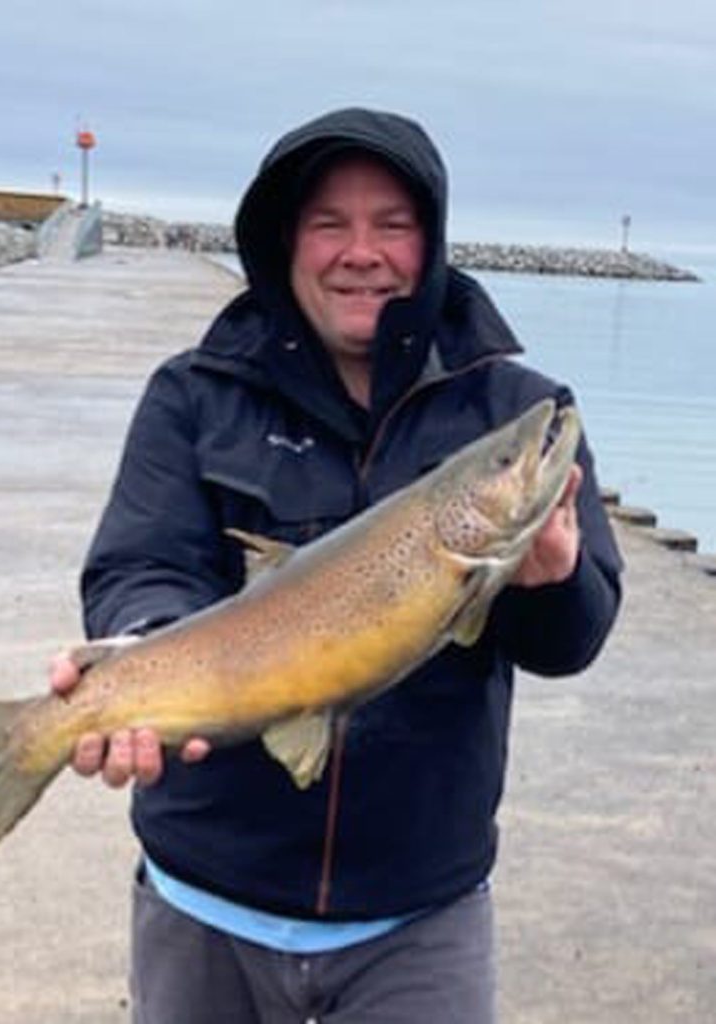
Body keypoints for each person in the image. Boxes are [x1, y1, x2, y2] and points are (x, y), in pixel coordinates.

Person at [51, 108, 622, 1023]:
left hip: (421, 917)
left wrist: (550, 579)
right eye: (330, 224)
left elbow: (578, 638)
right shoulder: (193, 395)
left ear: (431, 243)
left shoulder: (515, 408)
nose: (363, 252)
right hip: (202, 898)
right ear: (286, 243)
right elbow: (139, 567)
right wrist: (145, 651)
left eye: (393, 224)